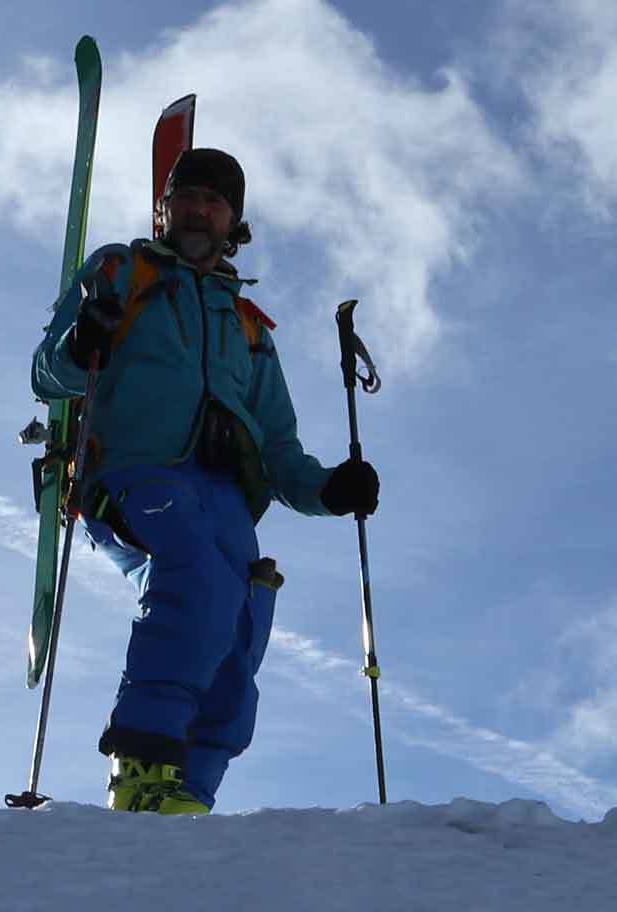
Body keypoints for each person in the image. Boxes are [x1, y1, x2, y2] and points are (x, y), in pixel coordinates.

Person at [30, 148, 380, 814]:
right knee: (192, 573)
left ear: (234, 222)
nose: (197, 209)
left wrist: (331, 490)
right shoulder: (120, 271)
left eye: (213, 202)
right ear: (163, 208)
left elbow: (279, 449)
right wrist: (82, 342)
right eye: (184, 197)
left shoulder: (249, 328)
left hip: (225, 494)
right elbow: (48, 371)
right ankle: (141, 763)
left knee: (241, 623)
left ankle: (189, 795)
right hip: (136, 469)